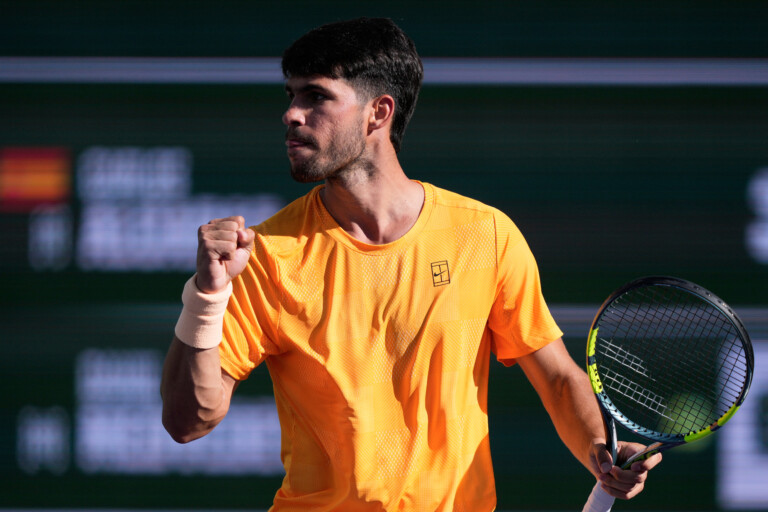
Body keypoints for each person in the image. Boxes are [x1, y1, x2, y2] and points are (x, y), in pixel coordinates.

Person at [161, 17, 661, 511]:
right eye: (291, 96)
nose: (292, 114)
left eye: (315, 96)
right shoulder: (267, 253)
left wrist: (604, 450)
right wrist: (205, 298)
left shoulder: (483, 234)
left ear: (378, 113)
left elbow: (556, 377)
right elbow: (188, 421)